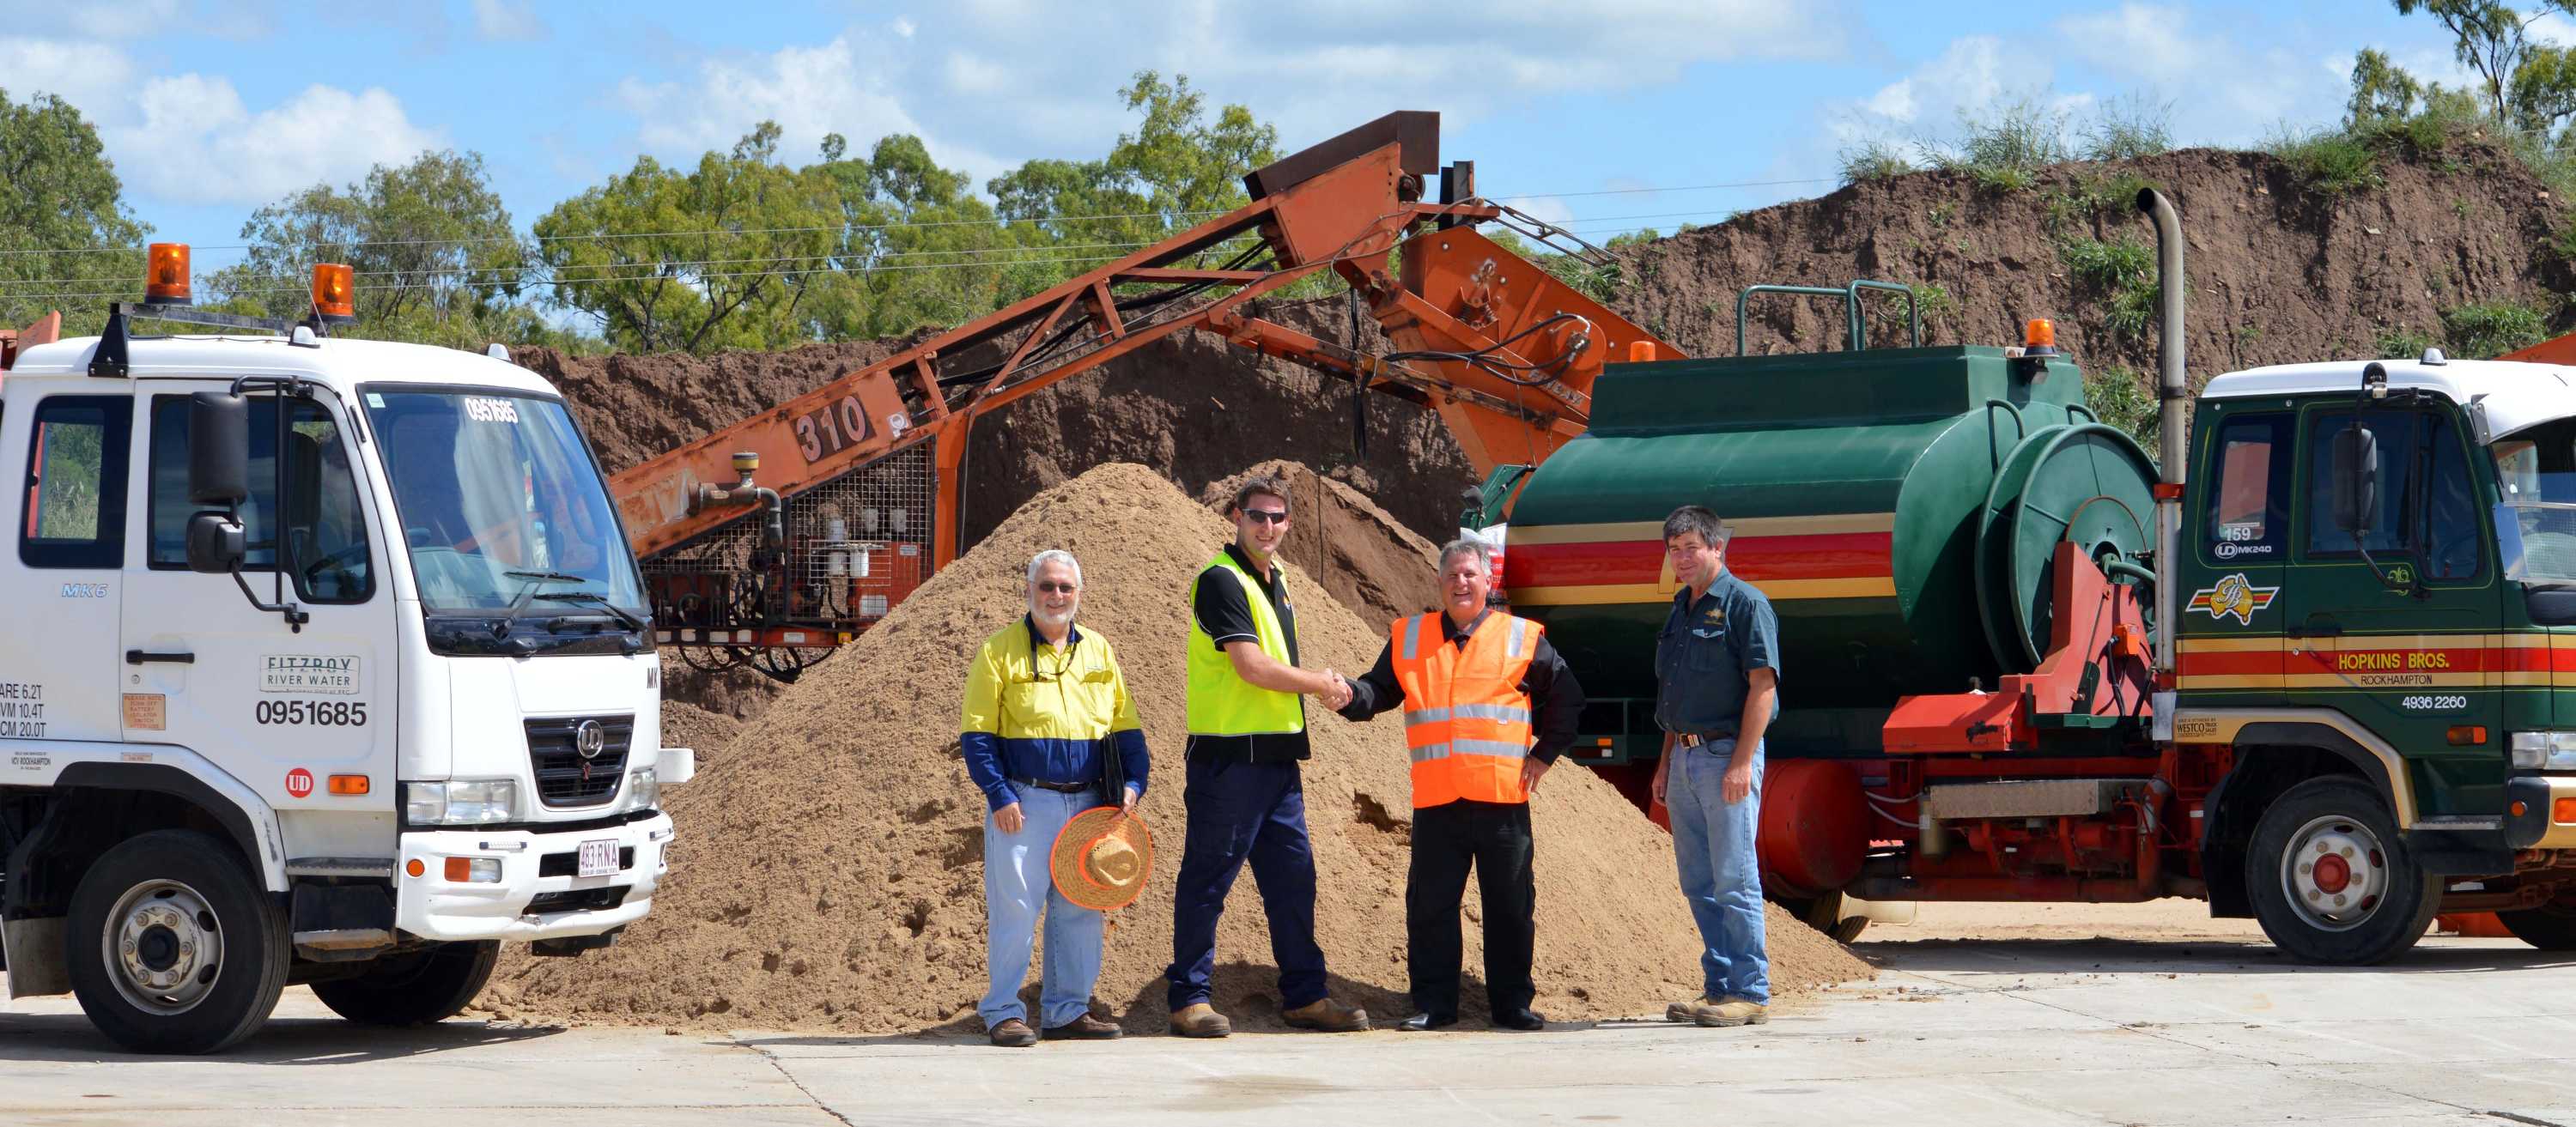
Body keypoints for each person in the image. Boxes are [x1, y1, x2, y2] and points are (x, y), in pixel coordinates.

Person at [1336, 538, 1584, 1032]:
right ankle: (1434, 1004)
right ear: (1440, 583)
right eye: (1452, 575)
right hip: (1438, 800)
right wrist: (1346, 695)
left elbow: (1569, 700)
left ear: (1488, 581)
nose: (1461, 583)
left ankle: (1512, 1004)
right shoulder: (1411, 637)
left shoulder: (1521, 637)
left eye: (1471, 574)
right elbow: (1378, 690)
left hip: (1501, 801)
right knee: (1430, 908)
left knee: (1511, 905)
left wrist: (1544, 754)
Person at [1164, 476, 1370, 1038]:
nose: (1268, 526)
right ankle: (1188, 998)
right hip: (1229, 759)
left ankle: (1305, 996)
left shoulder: (1276, 580)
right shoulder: (1221, 580)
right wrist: (1321, 683)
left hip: (1278, 761)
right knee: (1208, 879)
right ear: (1236, 515)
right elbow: (1251, 666)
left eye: (1278, 518)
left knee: (1293, 881)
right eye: (1258, 515)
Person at [960, 549, 1149, 1048]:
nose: (1056, 596)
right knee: (1015, 910)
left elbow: (1125, 725)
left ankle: (1067, 1010)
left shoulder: (1100, 652)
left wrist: (1134, 782)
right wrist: (999, 794)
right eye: (1047, 586)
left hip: (1089, 804)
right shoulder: (997, 653)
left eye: (1066, 587)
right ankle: (1003, 1011)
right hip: (1024, 803)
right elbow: (977, 735)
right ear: (1029, 592)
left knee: (1081, 909)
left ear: (1079, 594)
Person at [1652, 506, 1780, 1028]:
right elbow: (1672, 694)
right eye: (1674, 549)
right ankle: (1719, 987)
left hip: (1725, 756)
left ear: (1717, 548)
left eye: (1691, 548)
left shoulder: (1746, 605)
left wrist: (1743, 762)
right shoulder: (1681, 608)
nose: (1681, 558)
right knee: (1698, 881)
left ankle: (1751, 992)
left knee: (1734, 877)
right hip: (1683, 758)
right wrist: (1664, 765)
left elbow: (1763, 688)